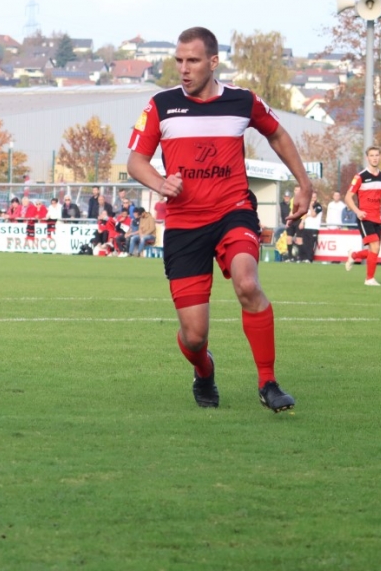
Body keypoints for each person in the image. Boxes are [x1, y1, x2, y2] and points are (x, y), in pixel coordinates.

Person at [126, 26, 311, 413]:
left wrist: (304, 183)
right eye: (179, 60)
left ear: (213, 62)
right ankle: (204, 371)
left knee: (247, 283)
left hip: (233, 212)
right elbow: (136, 161)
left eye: (192, 60)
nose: (184, 68)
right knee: (194, 337)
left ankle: (268, 383)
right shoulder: (161, 105)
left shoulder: (243, 101)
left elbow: (278, 135)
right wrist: (160, 183)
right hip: (184, 225)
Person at [344, 146, 381, 286]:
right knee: (375, 247)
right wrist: (358, 212)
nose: (374, 158)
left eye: (376, 155)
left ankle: (354, 255)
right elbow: (348, 197)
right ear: (367, 158)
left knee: (375, 250)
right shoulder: (360, 176)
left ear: (380, 157)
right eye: (371, 155)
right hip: (364, 217)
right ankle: (369, 279)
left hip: (377, 217)